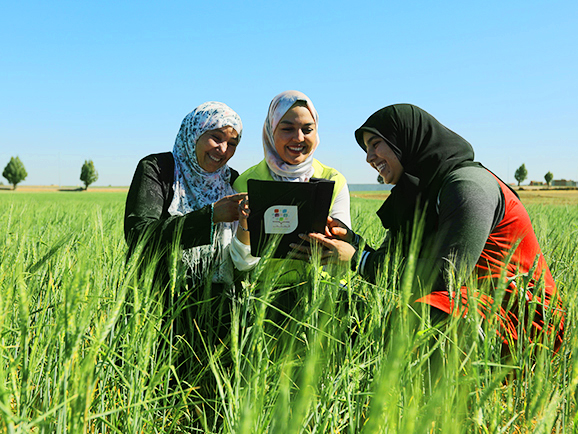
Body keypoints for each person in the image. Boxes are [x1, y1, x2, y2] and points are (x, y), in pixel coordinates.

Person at [300, 103, 564, 351]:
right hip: (467, 305)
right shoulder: (416, 195)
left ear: (405, 140)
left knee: (414, 318)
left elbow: (445, 275)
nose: (369, 157)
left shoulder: (467, 185)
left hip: (523, 317)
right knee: (353, 314)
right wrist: (353, 244)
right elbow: (395, 268)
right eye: (366, 149)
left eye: (376, 144)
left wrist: (358, 259)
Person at [124, 101, 246, 377]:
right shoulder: (159, 169)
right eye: (216, 137)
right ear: (194, 133)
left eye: (233, 143)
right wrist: (211, 215)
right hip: (159, 306)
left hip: (219, 313)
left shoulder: (234, 181)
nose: (223, 149)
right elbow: (138, 233)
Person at [229, 90, 351, 285]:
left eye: (307, 129)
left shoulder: (333, 180)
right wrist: (245, 228)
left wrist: (327, 249)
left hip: (318, 296)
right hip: (261, 299)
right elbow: (241, 263)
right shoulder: (245, 183)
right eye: (287, 129)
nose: (299, 138)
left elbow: (341, 259)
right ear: (271, 130)